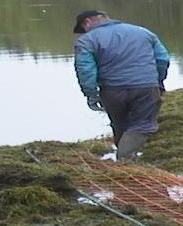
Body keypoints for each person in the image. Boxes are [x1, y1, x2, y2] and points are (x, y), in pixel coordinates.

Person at [73, 10, 171, 161]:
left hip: (112, 91)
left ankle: (124, 159)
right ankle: (126, 159)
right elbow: (162, 59)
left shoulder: (87, 41)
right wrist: (158, 82)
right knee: (142, 125)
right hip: (145, 86)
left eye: (83, 29)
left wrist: (91, 94)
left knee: (120, 124)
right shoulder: (143, 32)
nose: (84, 32)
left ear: (87, 22)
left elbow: (85, 70)